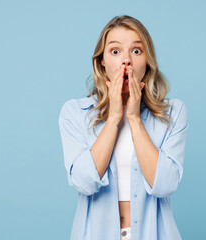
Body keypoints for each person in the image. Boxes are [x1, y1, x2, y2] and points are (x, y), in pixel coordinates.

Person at [58, 15, 189, 240]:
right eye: (115, 51)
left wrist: (135, 119)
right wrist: (113, 118)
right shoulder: (75, 113)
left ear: (147, 61)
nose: (126, 60)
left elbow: (166, 184)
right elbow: (83, 182)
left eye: (136, 51)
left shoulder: (173, 112)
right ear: (102, 61)